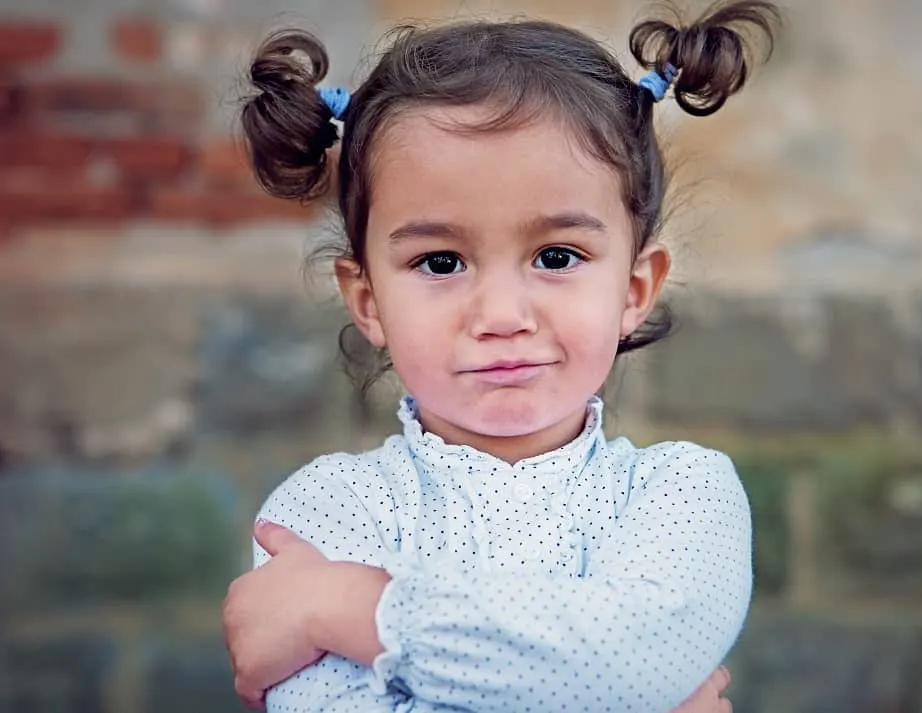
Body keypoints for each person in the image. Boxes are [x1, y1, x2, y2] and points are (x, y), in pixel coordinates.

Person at [222, 1, 780, 711]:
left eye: (556, 255)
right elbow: (616, 680)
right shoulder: (324, 515)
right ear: (367, 301)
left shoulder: (680, 494)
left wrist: (353, 608)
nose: (501, 316)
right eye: (441, 261)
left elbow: (636, 659)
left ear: (635, 287)